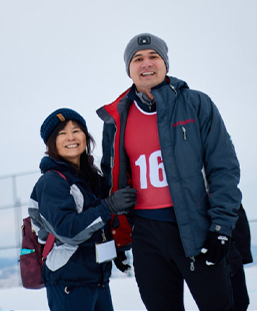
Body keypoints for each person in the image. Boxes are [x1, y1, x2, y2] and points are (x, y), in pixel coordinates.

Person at [96, 33, 243, 310]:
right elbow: (110, 178)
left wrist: (222, 226)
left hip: (195, 229)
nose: (146, 63)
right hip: (146, 234)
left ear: (165, 63)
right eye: (138, 59)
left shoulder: (196, 104)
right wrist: (117, 235)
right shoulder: (117, 117)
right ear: (129, 69)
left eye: (154, 56)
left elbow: (223, 168)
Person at [28, 108, 137, 311]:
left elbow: (102, 225)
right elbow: (69, 230)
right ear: (51, 143)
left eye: (76, 130)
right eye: (62, 133)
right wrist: (109, 205)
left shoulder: (90, 178)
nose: (71, 137)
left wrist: (118, 248)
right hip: (69, 282)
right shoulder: (51, 182)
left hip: (96, 278)